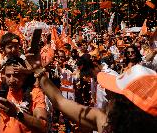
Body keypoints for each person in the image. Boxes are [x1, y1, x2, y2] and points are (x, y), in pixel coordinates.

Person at [25, 53, 157, 133]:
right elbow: (60, 101)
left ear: (126, 108)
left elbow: (60, 101)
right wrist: (38, 69)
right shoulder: (106, 121)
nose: (109, 95)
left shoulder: (105, 124)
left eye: (115, 95)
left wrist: (38, 70)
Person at [0, 57, 48, 133]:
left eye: (16, 75)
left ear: (24, 76)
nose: (11, 80)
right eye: (8, 75)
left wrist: (17, 113)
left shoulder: (35, 93)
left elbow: (42, 126)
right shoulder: (2, 92)